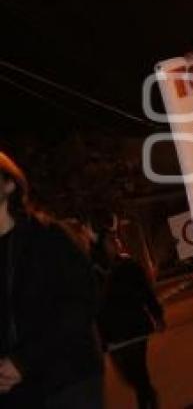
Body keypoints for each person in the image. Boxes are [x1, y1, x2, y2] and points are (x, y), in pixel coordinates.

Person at [0, 152, 104, 409]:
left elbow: (80, 304)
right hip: (14, 396)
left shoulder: (47, 236)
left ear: (9, 184)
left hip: (67, 382)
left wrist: (23, 361)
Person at [95, 226, 165, 408]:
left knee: (139, 369)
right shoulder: (93, 271)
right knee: (129, 375)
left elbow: (145, 291)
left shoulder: (128, 265)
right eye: (111, 240)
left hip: (134, 328)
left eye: (116, 239)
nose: (116, 243)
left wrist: (157, 315)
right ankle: (148, 393)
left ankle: (147, 401)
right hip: (112, 333)